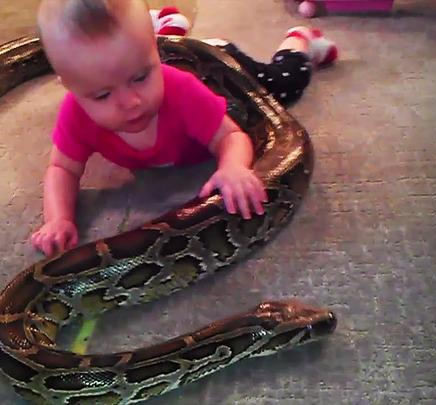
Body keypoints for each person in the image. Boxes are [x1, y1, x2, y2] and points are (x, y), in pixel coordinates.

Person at [31, 0, 337, 257]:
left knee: (282, 84)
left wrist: (233, 167)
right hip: (164, 52)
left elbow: (231, 136)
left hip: (218, 63)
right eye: (102, 95)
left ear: (156, 53)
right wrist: (58, 219)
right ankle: (166, 26)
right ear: (69, 87)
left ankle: (299, 41)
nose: (131, 102)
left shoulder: (181, 91)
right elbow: (62, 168)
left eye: (141, 77)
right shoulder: (75, 114)